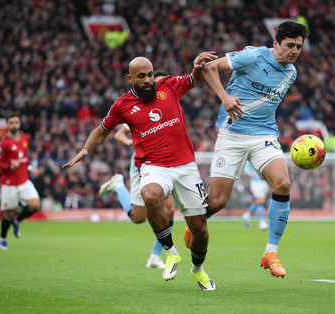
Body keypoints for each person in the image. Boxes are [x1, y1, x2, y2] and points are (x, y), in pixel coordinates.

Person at [63, 52, 223, 290]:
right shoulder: (122, 105)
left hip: (185, 166)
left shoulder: (168, 86)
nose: (148, 80)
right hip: (153, 165)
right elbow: (102, 131)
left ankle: (197, 269)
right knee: (149, 196)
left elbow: (196, 78)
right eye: (142, 76)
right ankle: (170, 252)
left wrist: (197, 66)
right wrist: (85, 150)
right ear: (130, 78)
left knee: (199, 228)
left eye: (150, 74)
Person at [185, 21, 308, 278]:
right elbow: (208, 67)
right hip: (232, 135)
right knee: (217, 202)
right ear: (276, 43)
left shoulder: (291, 73)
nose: (294, 51)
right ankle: (198, 220)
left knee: (283, 183)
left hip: (264, 135)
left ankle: (271, 252)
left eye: (299, 46)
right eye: (290, 45)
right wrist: (225, 98)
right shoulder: (253, 55)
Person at [99, 70, 176, 269]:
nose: (158, 86)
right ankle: (117, 184)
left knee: (168, 211)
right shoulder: (138, 106)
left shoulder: (169, 102)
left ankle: (155, 257)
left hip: (164, 160)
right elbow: (118, 135)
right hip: (143, 163)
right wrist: (136, 143)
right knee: (138, 218)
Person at [0, 112, 40, 250]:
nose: (14, 125)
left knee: (35, 205)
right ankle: (2, 239)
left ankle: (17, 220)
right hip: (9, 184)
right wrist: (8, 166)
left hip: (23, 180)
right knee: (9, 213)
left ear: (19, 124)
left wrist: (31, 168)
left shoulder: (25, 138)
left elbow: (24, 157)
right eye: (11, 123)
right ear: (7, 125)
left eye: (16, 122)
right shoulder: (4, 143)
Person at [242, 162, 269, 230]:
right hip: (256, 181)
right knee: (260, 201)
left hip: (264, 182)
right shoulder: (252, 153)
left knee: (259, 201)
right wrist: (250, 173)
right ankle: (262, 222)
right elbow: (246, 165)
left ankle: (247, 215)